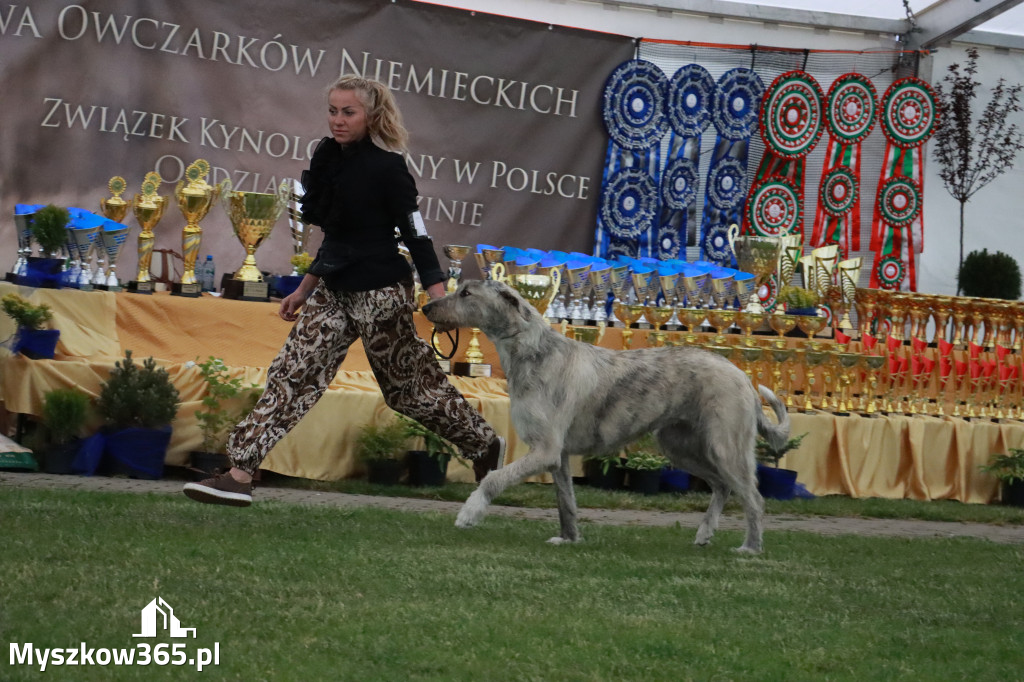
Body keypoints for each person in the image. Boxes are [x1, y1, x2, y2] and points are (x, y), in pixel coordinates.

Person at [183, 75, 505, 507]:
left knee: (409, 393)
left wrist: (439, 296)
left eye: (347, 112)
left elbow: (417, 237)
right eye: (332, 110)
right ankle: (240, 474)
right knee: (292, 375)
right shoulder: (326, 156)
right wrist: (304, 287)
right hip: (332, 292)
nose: (337, 120)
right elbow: (334, 236)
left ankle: (483, 443)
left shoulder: (390, 168)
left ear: (371, 115)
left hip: (381, 295)